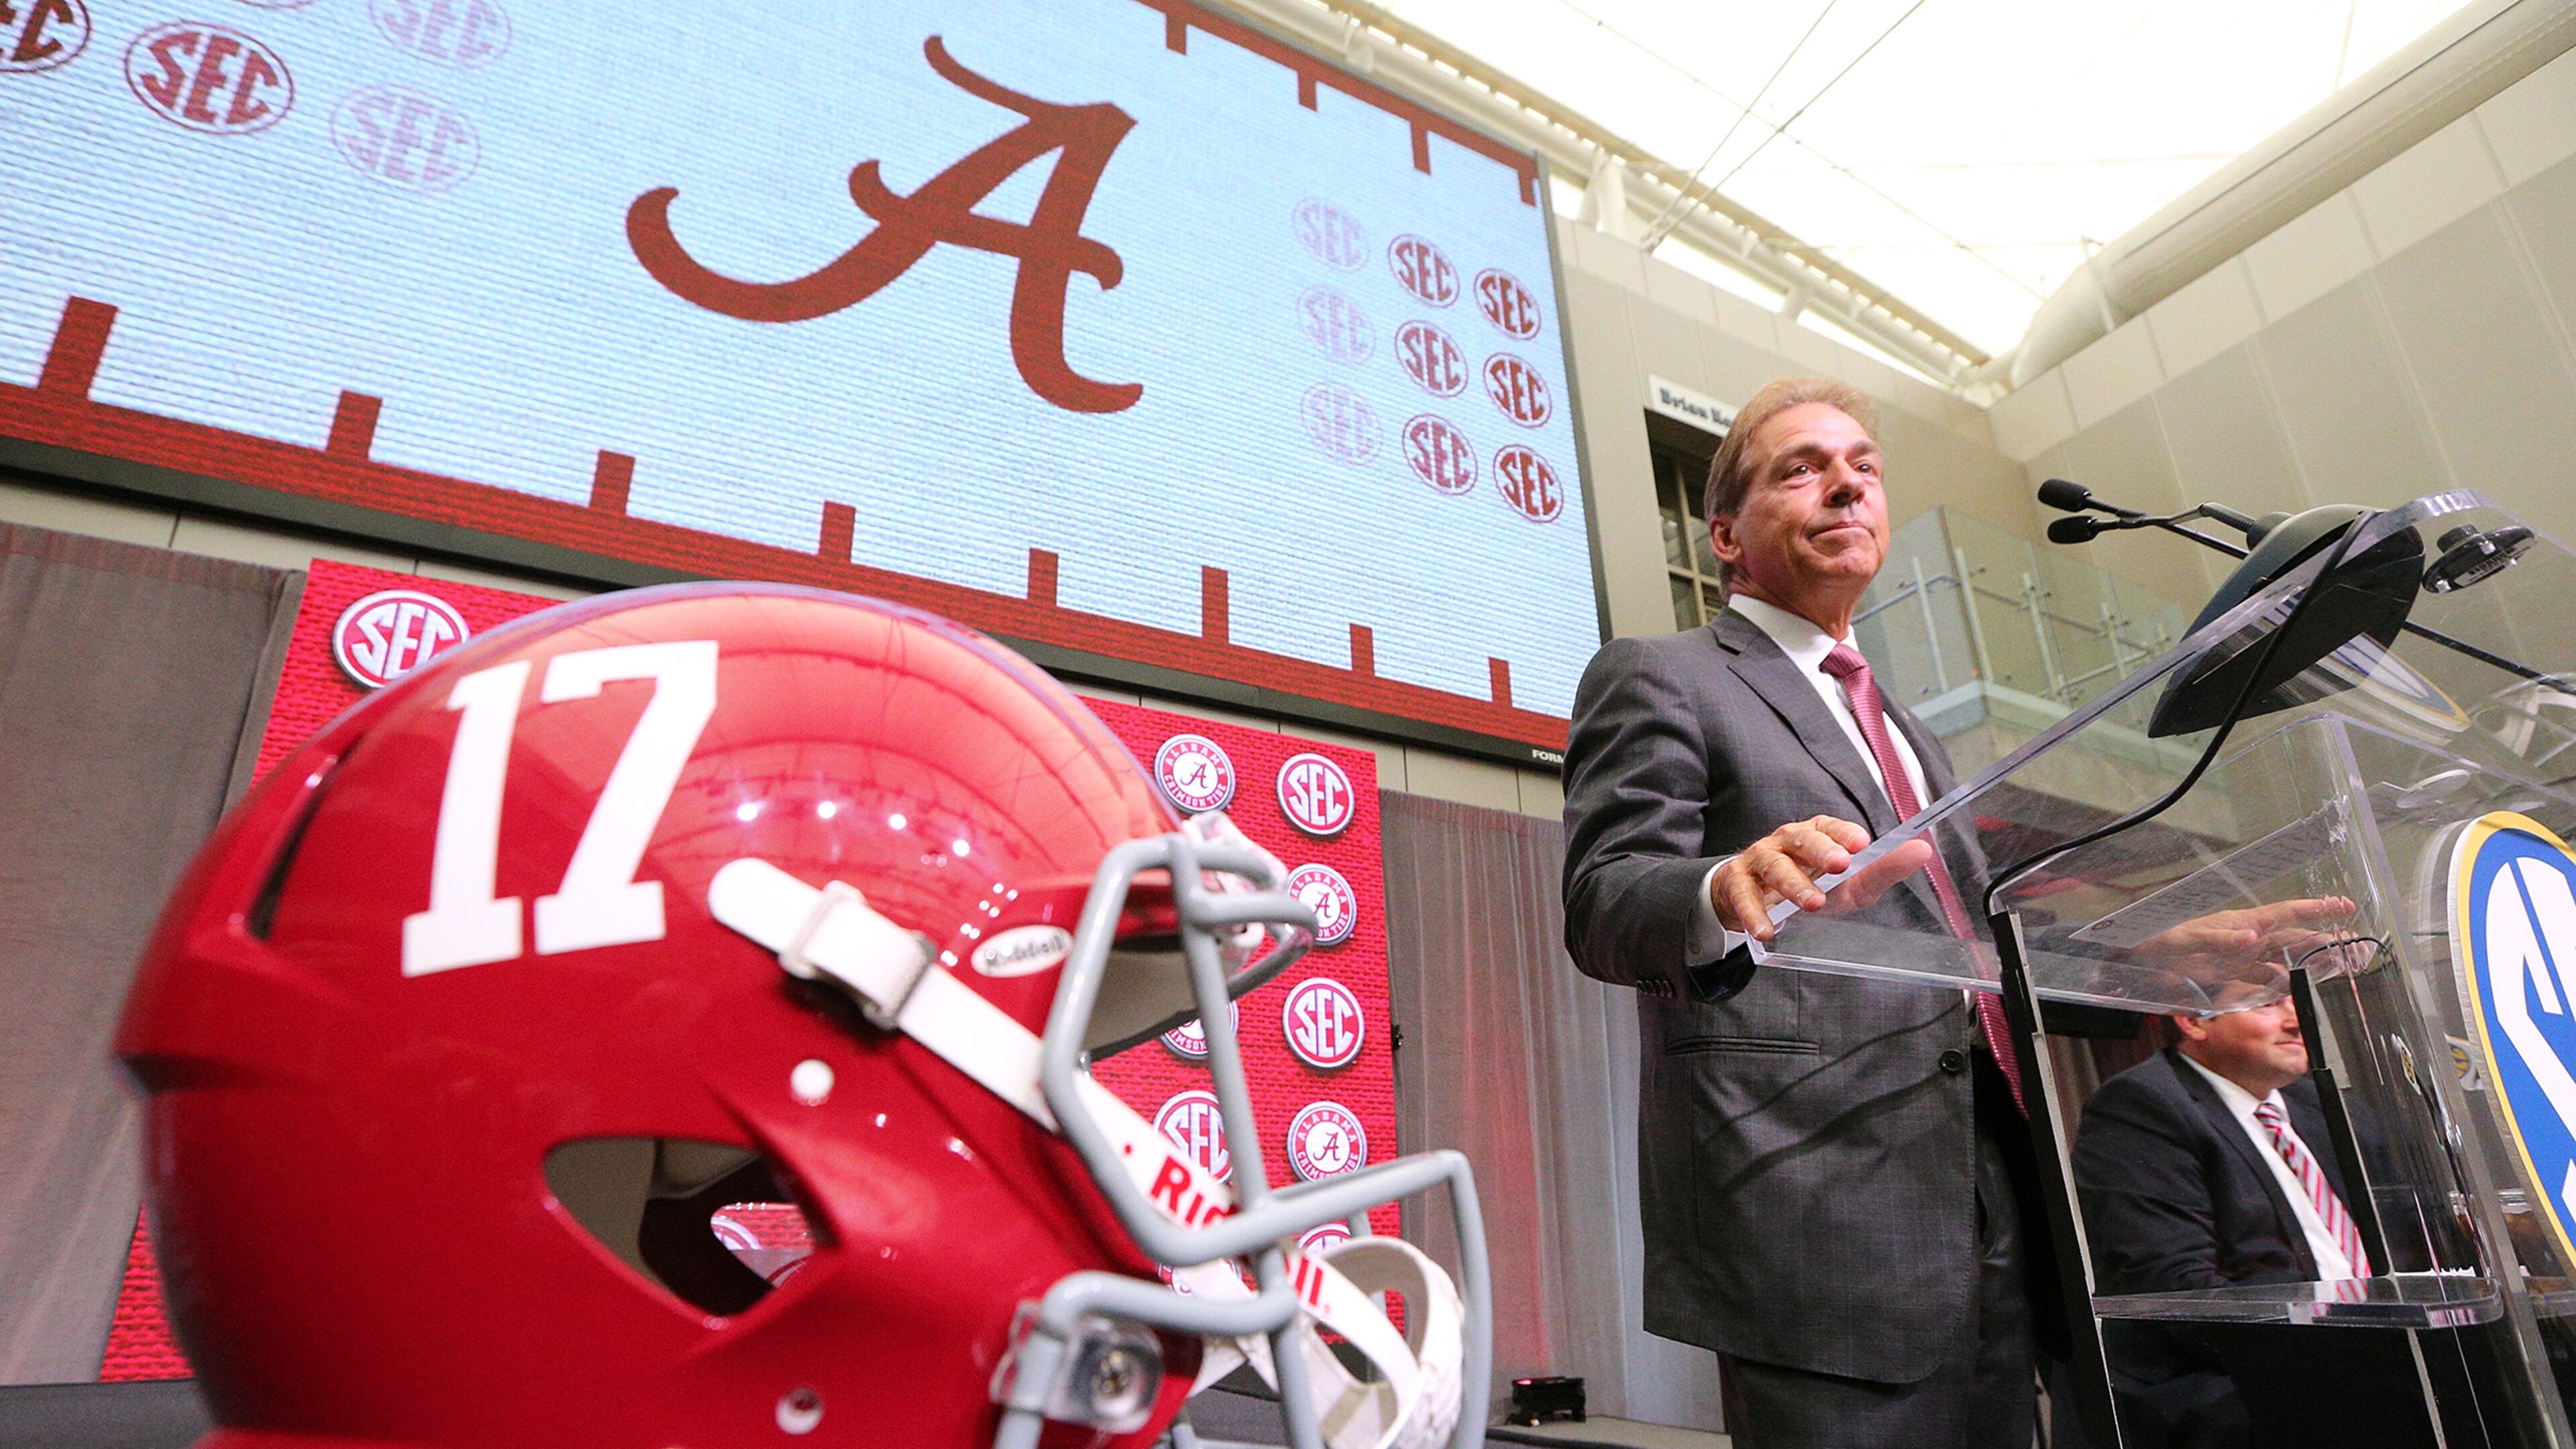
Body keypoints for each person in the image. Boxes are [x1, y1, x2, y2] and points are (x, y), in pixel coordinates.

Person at [1561, 376, 2049, 1448]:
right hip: (1813, 1206)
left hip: (1986, 1202)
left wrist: (2176, 952)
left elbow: (1969, 940)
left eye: (1864, 467)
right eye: (1804, 467)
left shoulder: (1909, 729)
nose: (1847, 485)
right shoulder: (1666, 675)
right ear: (1726, 535)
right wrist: (1722, 886)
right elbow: (1603, 898)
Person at [2071, 1000, 2415, 1449]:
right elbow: (2180, 1293)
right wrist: (2348, 1349)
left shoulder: (2333, 1109)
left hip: (2383, 1367)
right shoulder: (2142, 1107)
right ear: (2194, 1021)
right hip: (2249, 1392)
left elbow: (2410, 1242)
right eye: (2269, 1003)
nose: (2296, 1020)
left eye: (2295, 999)